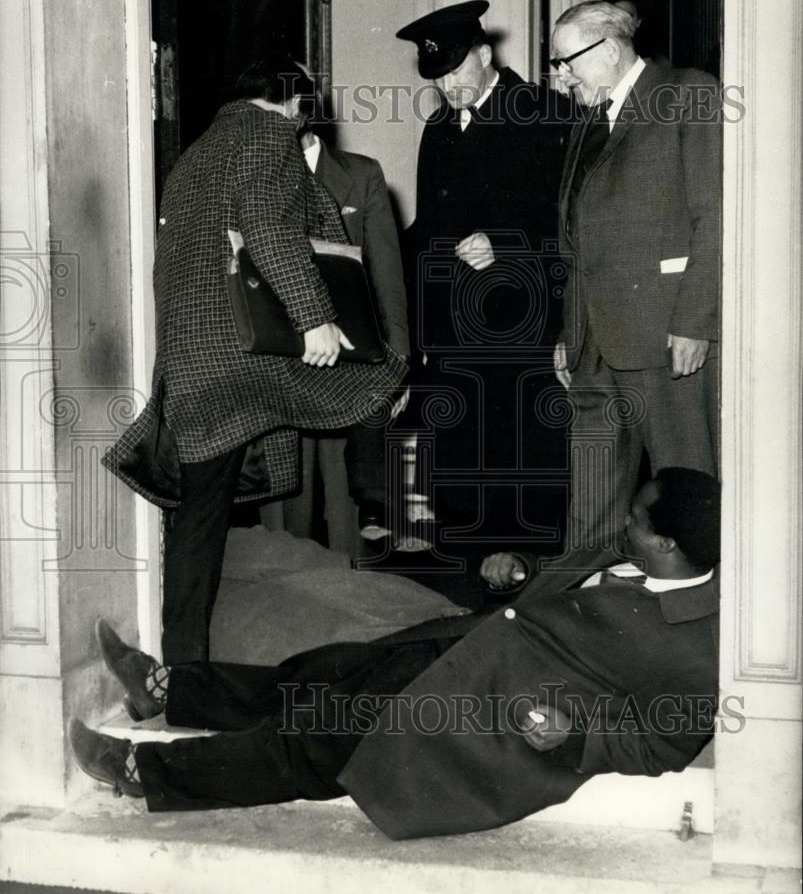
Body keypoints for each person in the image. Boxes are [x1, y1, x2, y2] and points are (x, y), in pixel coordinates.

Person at [70, 467, 720, 841]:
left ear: (666, 545)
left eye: (637, 520)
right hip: (460, 646)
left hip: (479, 718)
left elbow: (661, 746)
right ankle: (165, 690)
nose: (624, 523)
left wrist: (573, 735)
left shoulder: (697, 647)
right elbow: (563, 590)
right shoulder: (629, 552)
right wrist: (523, 570)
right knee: (316, 674)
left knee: (311, 743)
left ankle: (142, 771)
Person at [102, 54, 407, 665]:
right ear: (294, 105)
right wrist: (315, 319)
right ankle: (373, 522)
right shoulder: (270, 136)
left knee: (199, 516)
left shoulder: (196, 154)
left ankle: (182, 668)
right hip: (244, 357)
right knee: (380, 376)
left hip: (194, 359)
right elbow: (269, 228)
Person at [394, 0, 571, 571]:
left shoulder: (543, 113)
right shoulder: (439, 127)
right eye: (436, 77)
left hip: (521, 323)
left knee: (521, 444)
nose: (446, 86)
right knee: (459, 447)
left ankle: (522, 560)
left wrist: (507, 245)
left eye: (455, 70)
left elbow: (576, 224)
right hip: (454, 328)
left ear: (485, 54)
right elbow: (429, 227)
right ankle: (466, 562)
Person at [549, 0, 721, 558]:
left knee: (682, 496)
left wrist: (694, 322)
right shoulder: (587, 120)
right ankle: (581, 597)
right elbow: (578, 239)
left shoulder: (687, 92)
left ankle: (695, 605)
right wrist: (569, 329)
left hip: (666, 337)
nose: (561, 76)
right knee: (591, 504)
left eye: (566, 61)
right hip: (593, 346)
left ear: (609, 48)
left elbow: (714, 217)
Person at [294, 98, 413, 544]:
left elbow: (388, 278)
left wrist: (398, 366)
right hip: (279, 368)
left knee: (353, 520)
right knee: (286, 520)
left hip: (351, 368)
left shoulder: (362, 175)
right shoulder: (251, 175)